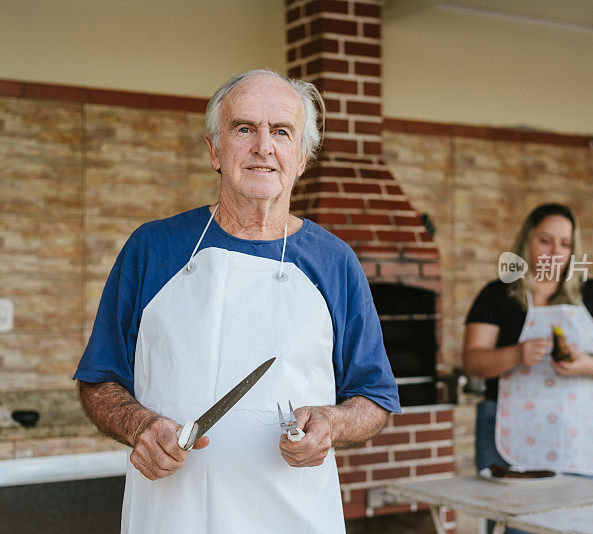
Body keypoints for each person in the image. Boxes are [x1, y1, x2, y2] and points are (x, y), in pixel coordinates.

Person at [74, 69, 400, 533]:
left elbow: (375, 396)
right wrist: (139, 427)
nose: (263, 147)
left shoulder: (335, 261)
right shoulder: (153, 248)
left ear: (302, 157)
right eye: (244, 128)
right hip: (172, 513)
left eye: (282, 132)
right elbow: (99, 379)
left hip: (294, 513)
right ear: (215, 151)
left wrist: (332, 421)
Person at [463, 203, 593, 532]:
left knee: (580, 524)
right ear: (527, 241)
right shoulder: (498, 295)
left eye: (565, 244)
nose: (555, 251)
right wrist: (515, 355)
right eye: (546, 240)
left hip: (576, 435)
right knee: (521, 525)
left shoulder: (591, 293)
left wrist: (586, 364)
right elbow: (471, 360)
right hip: (510, 433)